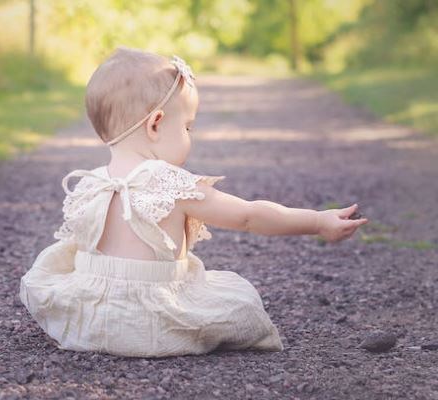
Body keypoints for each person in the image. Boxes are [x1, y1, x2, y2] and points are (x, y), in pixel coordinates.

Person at [19, 46, 369, 358]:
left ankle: (105, 331)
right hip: (149, 316)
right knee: (239, 303)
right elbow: (248, 215)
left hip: (94, 314)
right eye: (188, 127)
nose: (190, 136)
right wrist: (318, 221)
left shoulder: (91, 182)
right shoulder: (170, 183)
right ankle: (156, 335)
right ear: (156, 124)